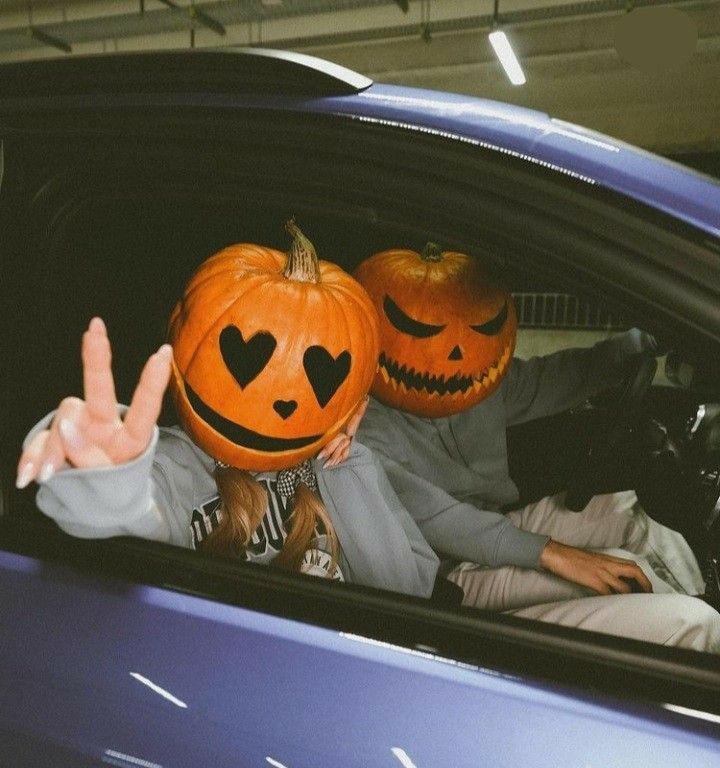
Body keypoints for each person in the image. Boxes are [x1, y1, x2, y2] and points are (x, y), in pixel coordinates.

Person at [352, 245, 720, 652]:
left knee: (631, 516)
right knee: (622, 577)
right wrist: (552, 553)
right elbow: (443, 520)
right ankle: (693, 637)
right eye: (421, 330)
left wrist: (640, 344)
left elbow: (554, 379)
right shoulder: (359, 427)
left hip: (499, 524)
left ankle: (698, 603)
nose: (454, 349)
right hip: (445, 573)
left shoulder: (476, 380)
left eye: (477, 328)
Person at [17, 319, 438, 597]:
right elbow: (136, 512)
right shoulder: (179, 460)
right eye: (255, 363)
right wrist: (110, 485)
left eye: (311, 369)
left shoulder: (344, 466)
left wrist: (342, 468)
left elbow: (408, 599)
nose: (284, 395)